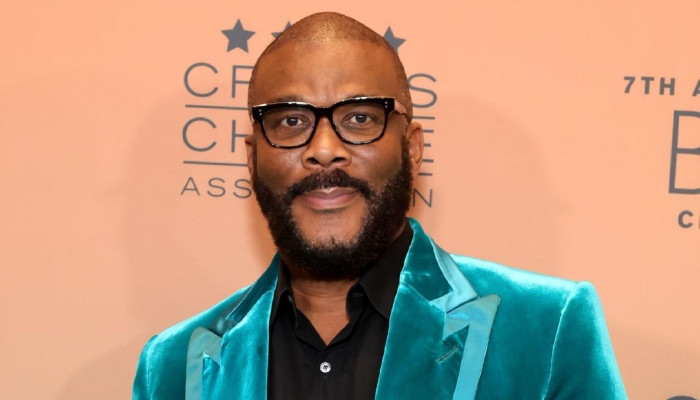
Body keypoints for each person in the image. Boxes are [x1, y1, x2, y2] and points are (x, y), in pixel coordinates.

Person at [133, 12, 626, 400]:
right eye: (289, 121)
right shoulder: (174, 366)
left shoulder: (547, 329)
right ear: (252, 157)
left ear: (412, 148)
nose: (324, 149)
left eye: (360, 117)